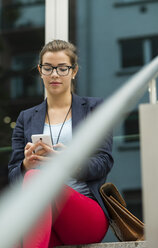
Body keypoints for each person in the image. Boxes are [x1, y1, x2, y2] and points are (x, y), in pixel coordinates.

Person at [8, 39, 114, 248]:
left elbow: (104, 162)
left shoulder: (94, 108)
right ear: (40, 71)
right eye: (48, 68)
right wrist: (25, 165)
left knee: (36, 178)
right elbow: (13, 176)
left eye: (62, 68)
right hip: (45, 220)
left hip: (86, 215)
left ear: (74, 71)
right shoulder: (25, 118)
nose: (55, 74)